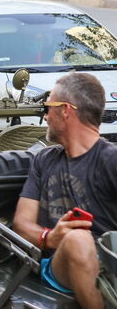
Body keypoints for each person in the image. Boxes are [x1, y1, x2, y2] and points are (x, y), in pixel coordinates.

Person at [13, 73, 117, 309]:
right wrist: (50, 237)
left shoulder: (111, 159)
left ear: (66, 110)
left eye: (48, 107)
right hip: (61, 264)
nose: (45, 116)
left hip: (111, 262)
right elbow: (21, 223)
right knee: (77, 240)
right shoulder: (44, 160)